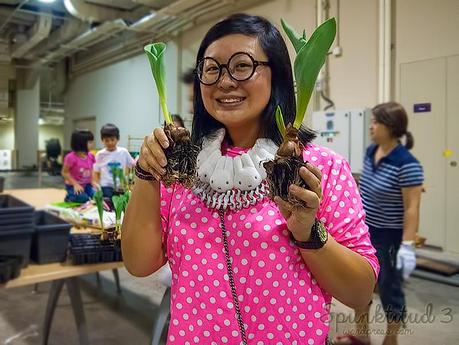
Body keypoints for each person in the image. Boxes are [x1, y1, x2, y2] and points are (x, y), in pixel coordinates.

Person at [122, 13, 379, 345]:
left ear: (277, 75)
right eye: (212, 68)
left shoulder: (318, 169)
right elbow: (139, 263)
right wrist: (147, 172)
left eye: (242, 65)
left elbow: (359, 293)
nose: (225, 81)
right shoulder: (184, 168)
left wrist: (308, 232)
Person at [334, 102, 424, 345]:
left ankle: (391, 338)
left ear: (391, 126)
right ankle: (362, 334)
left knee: (390, 290)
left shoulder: (407, 164)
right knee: (362, 283)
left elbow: (412, 208)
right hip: (365, 231)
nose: (371, 126)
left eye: (375, 122)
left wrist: (407, 246)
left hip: (391, 236)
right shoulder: (371, 151)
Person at [93, 123, 135, 198]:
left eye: (112, 140)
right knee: (108, 201)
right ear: (102, 140)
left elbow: (133, 164)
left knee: (122, 203)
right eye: (106, 140)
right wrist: (96, 186)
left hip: (120, 186)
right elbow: (96, 172)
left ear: (117, 139)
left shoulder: (123, 152)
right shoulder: (100, 154)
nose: (110, 143)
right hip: (106, 186)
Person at [61, 129, 96, 203]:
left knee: (97, 196)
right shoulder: (70, 157)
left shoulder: (91, 156)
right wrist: (75, 184)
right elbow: (64, 172)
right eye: (90, 142)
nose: (92, 144)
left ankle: (84, 195)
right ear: (81, 143)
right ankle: (69, 197)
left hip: (87, 185)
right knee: (83, 198)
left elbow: (92, 169)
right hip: (72, 185)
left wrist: (93, 181)